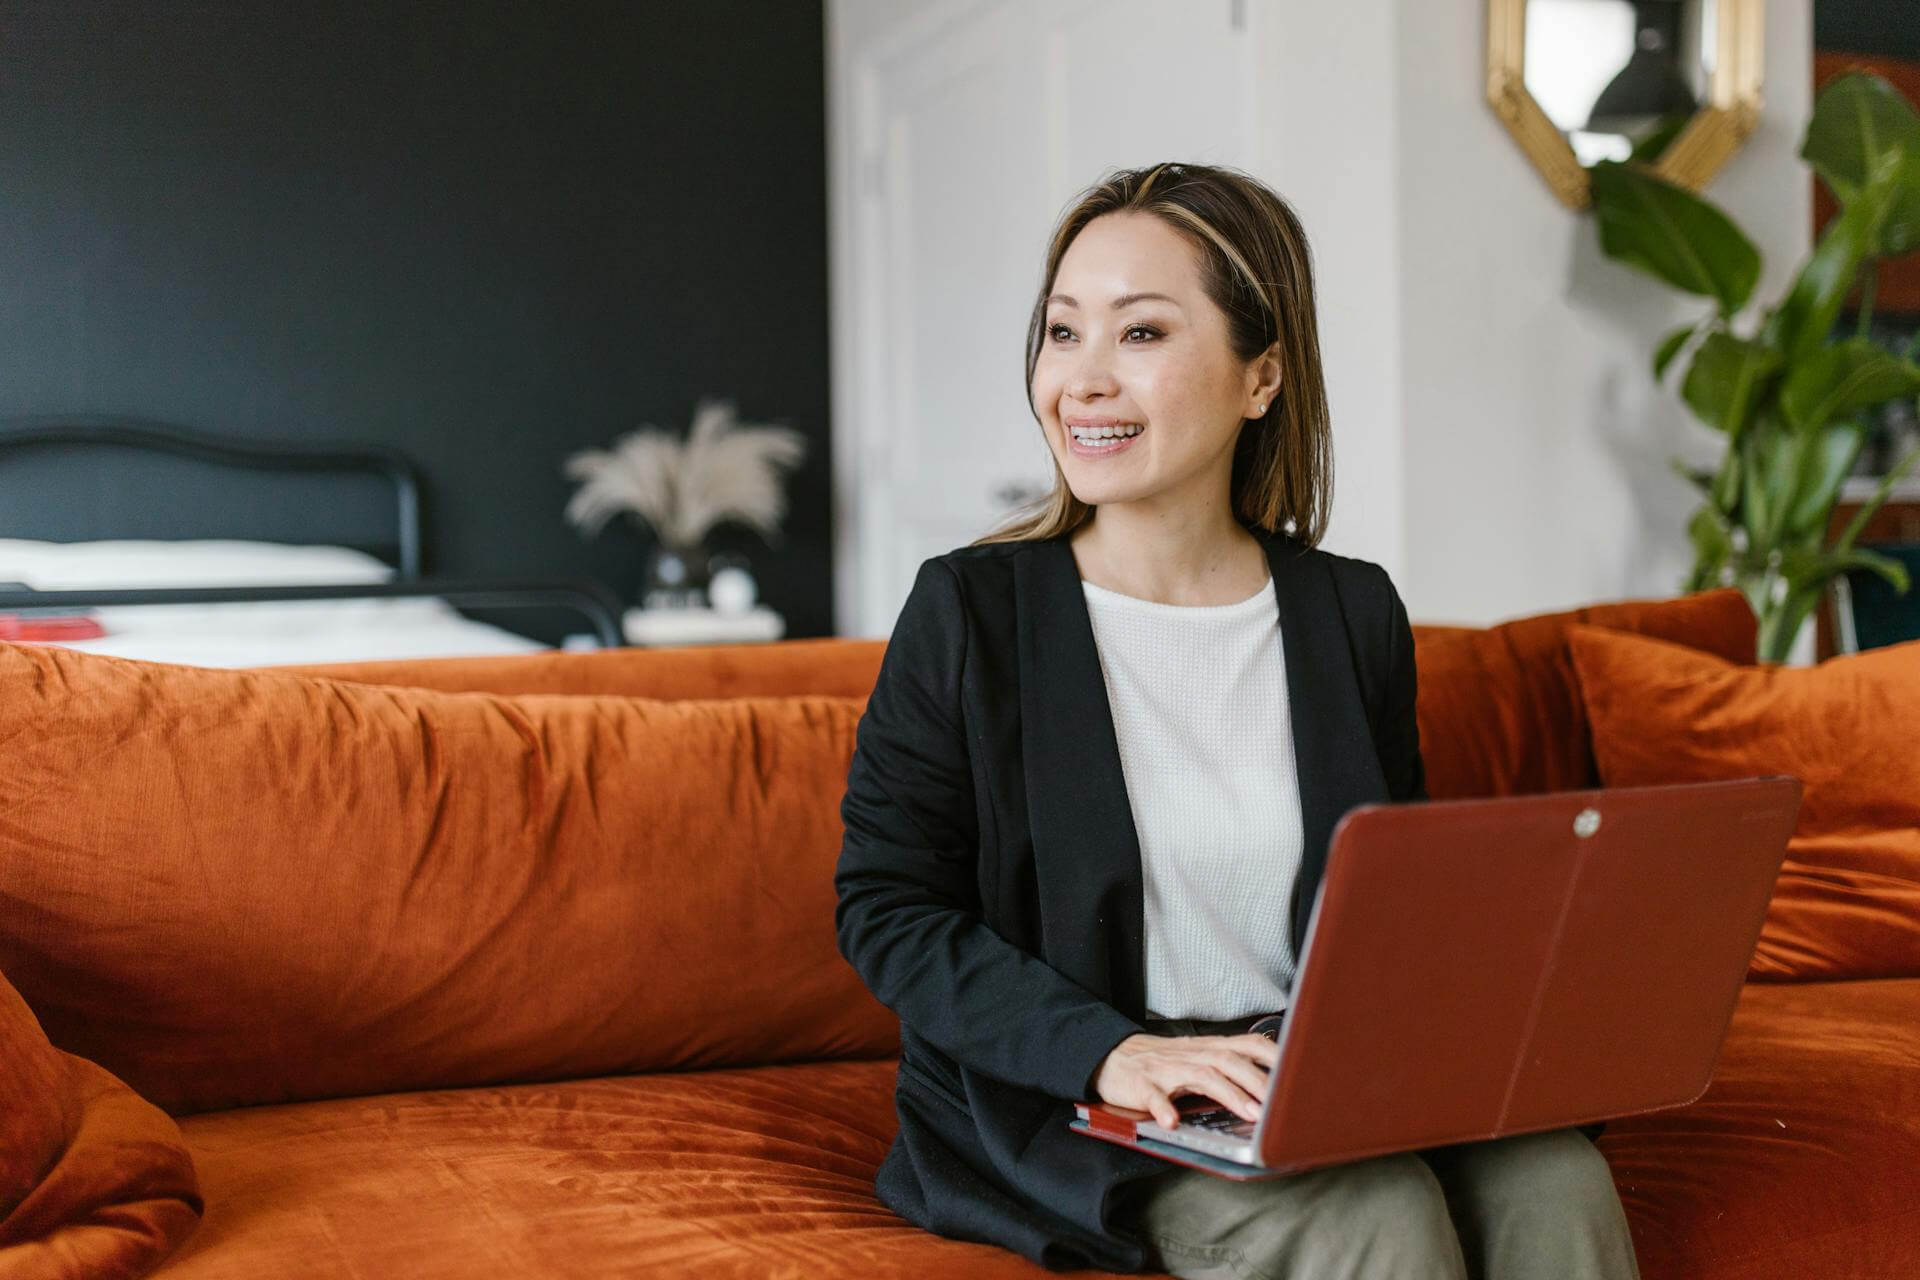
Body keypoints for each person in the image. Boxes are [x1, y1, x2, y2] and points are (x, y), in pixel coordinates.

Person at [834, 161, 1640, 1280]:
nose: (1084, 380)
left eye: (1142, 334)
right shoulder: (972, 611)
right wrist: (1111, 1052)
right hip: (1091, 1101)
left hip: (1312, 1077)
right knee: (1374, 1210)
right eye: (1063, 333)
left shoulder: (1350, 612)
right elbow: (888, 905)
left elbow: (1388, 904)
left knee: (1559, 1174)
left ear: (1262, 376)